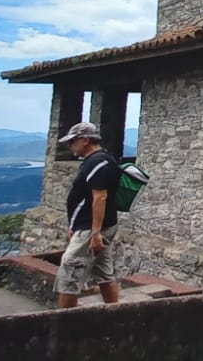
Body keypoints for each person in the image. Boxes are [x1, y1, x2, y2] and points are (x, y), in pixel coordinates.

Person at [56, 121, 121, 308]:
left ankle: (64, 326)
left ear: (85, 140)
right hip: (92, 227)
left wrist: (94, 232)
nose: (70, 146)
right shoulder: (99, 161)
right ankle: (116, 314)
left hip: (91, 229)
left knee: (70, 273)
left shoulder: (98, 163)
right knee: (104, 271)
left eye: (72, 141)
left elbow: (99, 198)